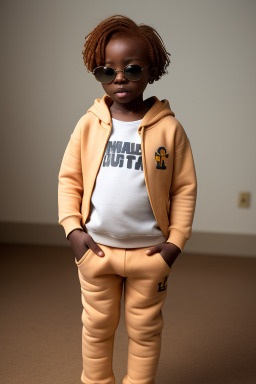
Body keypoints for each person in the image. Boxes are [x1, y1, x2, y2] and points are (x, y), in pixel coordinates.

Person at [58, 14, 197, 384]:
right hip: (96, 251)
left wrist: (174, 245)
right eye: (106, 71)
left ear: (152, 70)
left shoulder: (169, 128)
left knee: (145, 330)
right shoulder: (89, 123)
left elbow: (184, 187)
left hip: (150, 254)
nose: (119, 78)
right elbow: (69, 179)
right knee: (96, 327)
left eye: (131, 69)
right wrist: (74, 232)